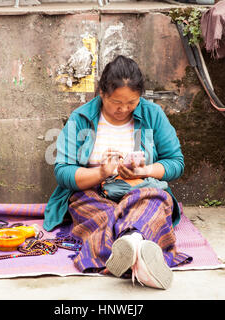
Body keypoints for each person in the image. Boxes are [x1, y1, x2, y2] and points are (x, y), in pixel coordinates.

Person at [43, 55, 189, 289]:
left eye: (131, 102)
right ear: (102, 93)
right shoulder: (81, 118)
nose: (123, 109)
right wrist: (101, 172)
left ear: (140, 96)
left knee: (153, 201)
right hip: (93, 193)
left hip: (141, 191)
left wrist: (145, 170)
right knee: (102, 216)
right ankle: (140, 251)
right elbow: (63, 171)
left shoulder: (153, 115)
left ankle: (129, 246)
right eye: (116, 102)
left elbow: (175, 162)